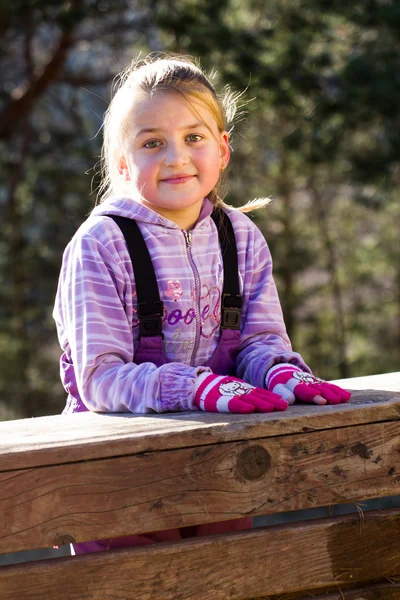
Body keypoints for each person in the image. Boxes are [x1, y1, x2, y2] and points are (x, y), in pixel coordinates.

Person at [53, 54, 351, 554]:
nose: (176, 157)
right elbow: (100, 378)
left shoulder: (241, 238)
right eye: (152, 143)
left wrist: (276, 370)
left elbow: (257, 341)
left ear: (223, 149)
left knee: (225, 575)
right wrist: (198, 387)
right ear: (124, 164)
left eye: (194, 137)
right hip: (118, 476)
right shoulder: (101, 245)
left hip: (221, 463)